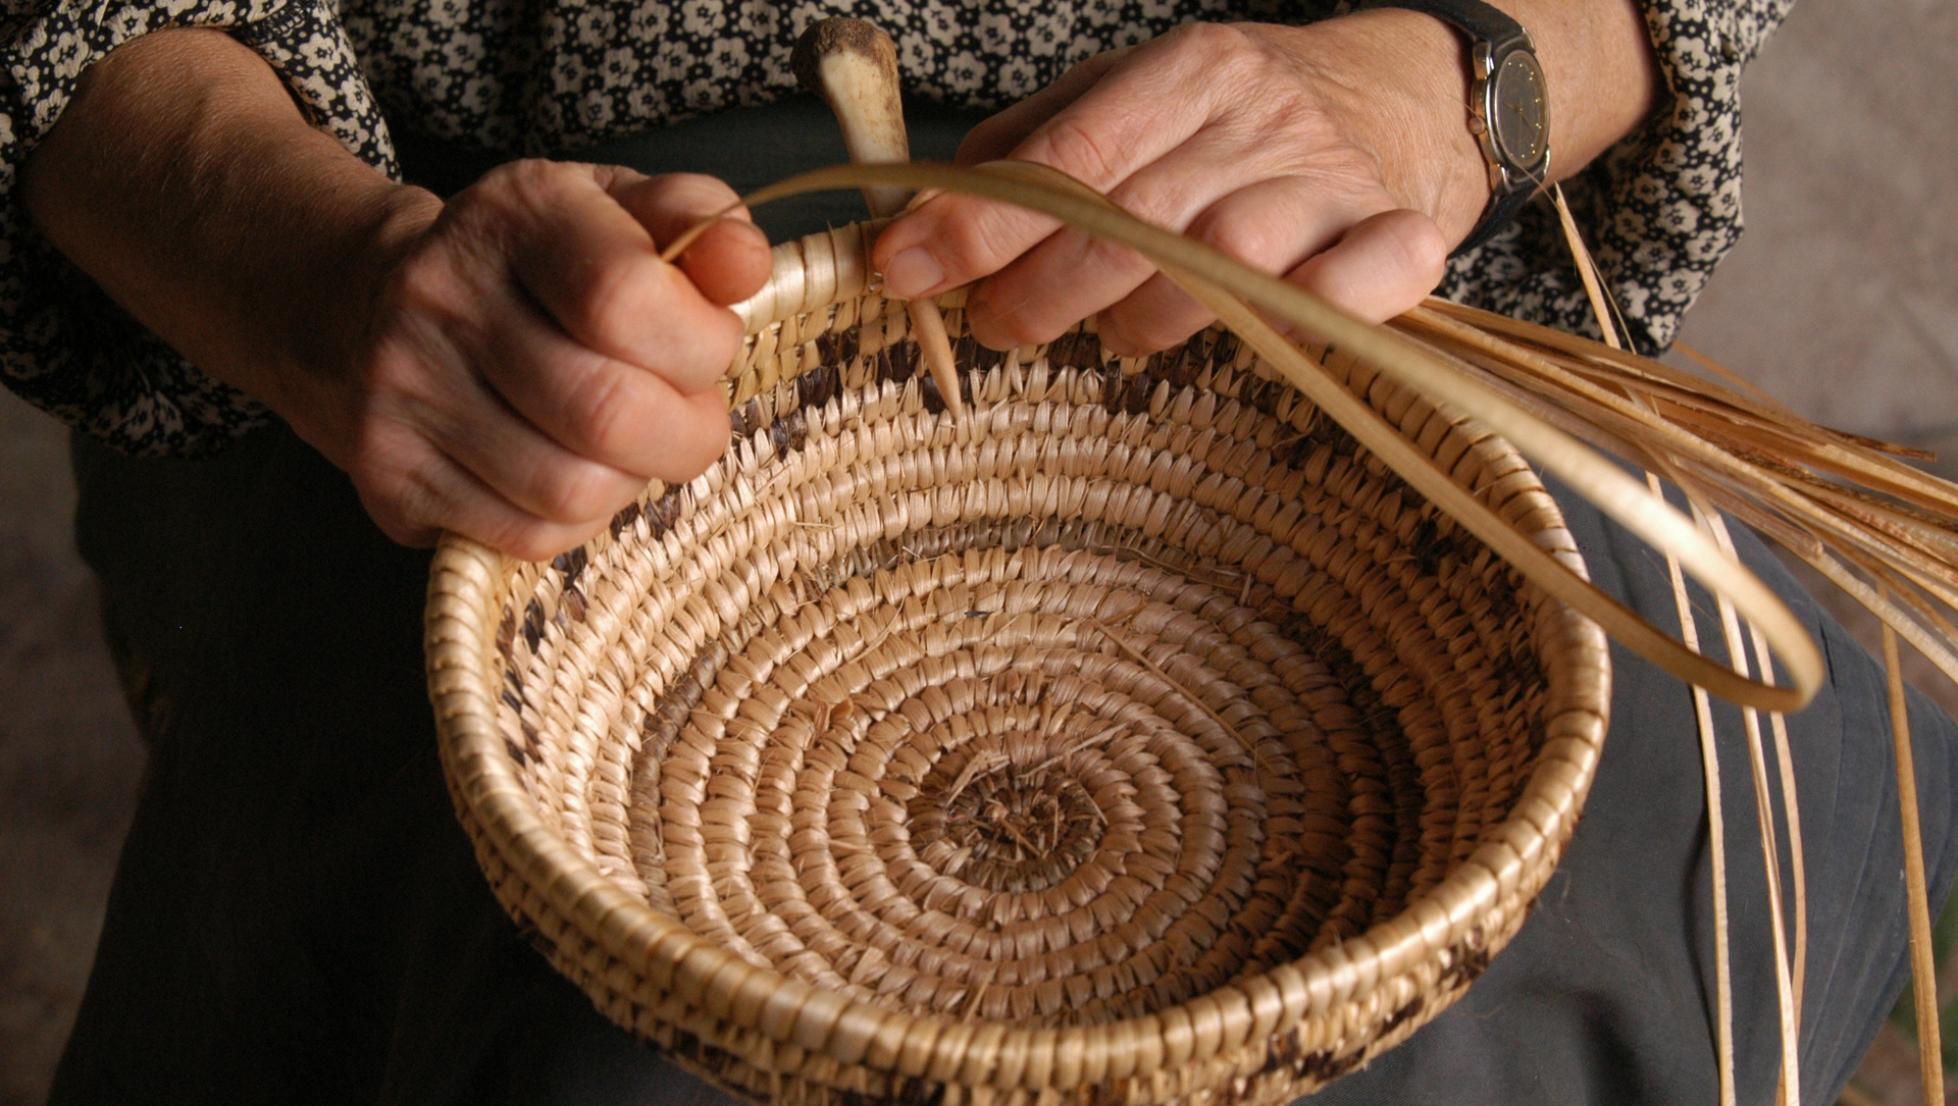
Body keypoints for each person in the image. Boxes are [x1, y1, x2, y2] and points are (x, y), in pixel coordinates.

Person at [2, 0, 1951, 1102]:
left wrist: (1452, 81)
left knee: (1634, 890)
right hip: (498, 270)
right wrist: (334, 280)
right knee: (623, 1043)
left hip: (1333, 233)